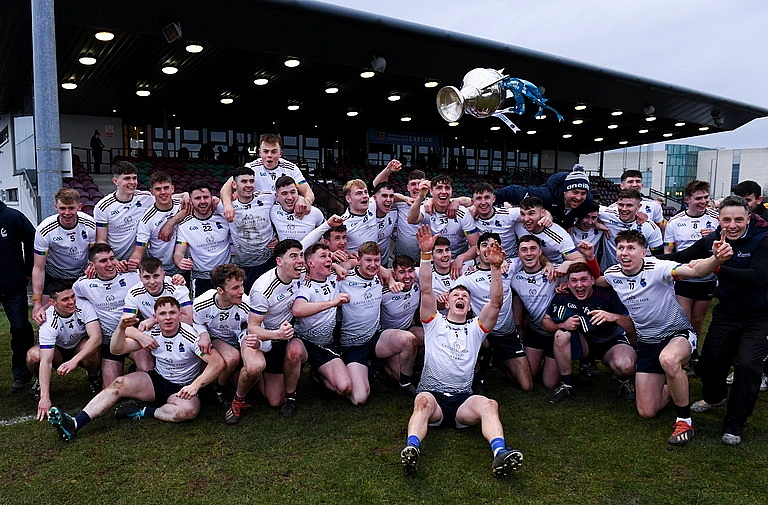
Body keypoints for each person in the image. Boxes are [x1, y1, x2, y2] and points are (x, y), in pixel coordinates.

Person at [399, 225, 523, 479]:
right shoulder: (434, 322)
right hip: (433, 398)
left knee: (489, 404)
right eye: (456, 294)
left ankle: (500, 452)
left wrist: (497, 269)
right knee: (421, 402)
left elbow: (496, 303)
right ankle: (412, 448)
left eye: (464, 296)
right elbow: (425, 289)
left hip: (462, 400)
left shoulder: (476, 328)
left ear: (468, 305)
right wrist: (424, 256)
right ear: (448, 302)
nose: (460, 297)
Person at [600, 230, 731, 446]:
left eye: (631, 248)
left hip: (676, 334)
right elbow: (600, 280)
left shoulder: (657, 267)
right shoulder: (614, 273)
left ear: (644, 252)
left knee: (669, 360)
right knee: (646, 411)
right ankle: (675, 380)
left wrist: (716, 258)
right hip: (647, 343)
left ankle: (684, 420)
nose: (625, 252)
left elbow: (695, 270)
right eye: (621, 247)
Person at [663, 196, 768, 445]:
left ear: (748, 219)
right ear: (719, 220)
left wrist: (717, 267)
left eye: (738, 220)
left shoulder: (762, 240)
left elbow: (759, 277)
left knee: (746, 366)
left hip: (760, 316)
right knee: (708, 365)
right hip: (727, 313)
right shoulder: (714, 240)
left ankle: (734, 423)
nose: (732, 225)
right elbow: (684, 256)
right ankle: (715, 396)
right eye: (727, 220)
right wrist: (648, 261)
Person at [47, 297, 225, 441]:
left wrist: (195, 386)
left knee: (188, 412)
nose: (168, 317)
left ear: (180, 314)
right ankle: (74, 424)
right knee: (118, 384)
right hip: (156, 380)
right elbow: (117, 349)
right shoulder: (152, 333)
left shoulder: (190, 336)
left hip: (182, 387)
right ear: (155, 317)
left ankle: (144, 411)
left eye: (172, 312)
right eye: (162, 314)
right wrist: (121, 328)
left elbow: (217, 363)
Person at [542, 262, 637, 403]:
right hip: (583, 342)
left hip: (609, 342)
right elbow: (545, 322)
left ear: (592, 280)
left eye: (584, 279)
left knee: (625, 366)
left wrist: (614, 317)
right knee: (561, 335)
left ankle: (624, 381)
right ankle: (566, 384)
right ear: (567, 283)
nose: (579, 285)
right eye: (574, 280)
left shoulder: (607, 294)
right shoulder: (563, 296)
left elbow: (631, 327)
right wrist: (562, 324)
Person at [338, 241, 420, 405]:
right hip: (352, 345)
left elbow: (393, 272)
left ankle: (405, 383)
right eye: (368, 260)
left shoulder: (381, 277)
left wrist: (389, 279)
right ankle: (338, 372)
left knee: (408, 339)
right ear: (359, 259)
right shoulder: (343, 278)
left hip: (375, 339)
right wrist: (335, 265)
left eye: (377, 260)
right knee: (360, 398)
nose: (373, 265)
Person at [237, 239, 304, 422]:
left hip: (287, 335)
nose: (300, 261)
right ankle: (250, 379)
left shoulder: (298, 270)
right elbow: (253, 327)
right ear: (279, 262)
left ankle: (291, 394)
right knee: (274, 400)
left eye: (301, 255)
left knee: (296, 352)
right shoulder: (263, 289)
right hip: (267, 337)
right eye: (294, 256)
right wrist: (277, 335)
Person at [454, 232, 532, 391]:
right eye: (484, 245)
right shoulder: (467, 276)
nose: (489, 249)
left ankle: (498, 360)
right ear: (477, 251)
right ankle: (478, 371)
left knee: (526, 386)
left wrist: (549, 265)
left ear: (500, 249)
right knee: (474, 338)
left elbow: (536, 259)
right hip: (483, 333)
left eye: (493, 245)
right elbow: (452, 296)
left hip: (507, 333)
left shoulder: (509, 266)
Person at [72, 243, 146, 389]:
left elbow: (156, 280)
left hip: (132, 337)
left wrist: (177, 279)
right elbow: (69, 298)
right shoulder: (83, 285)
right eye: (103, 261)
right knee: (110, 388)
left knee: (146, 369)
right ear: (92, 265)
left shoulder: (132, 276)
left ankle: (137, 371)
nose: (110, 264)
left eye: (112, 258)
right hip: (109, 343)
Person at [26, 280, 102, 420]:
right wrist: (45, 398)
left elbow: (96, 338)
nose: (72, 301)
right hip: (58, 352)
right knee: (33, 355)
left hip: (78, 347)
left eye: (73, 296)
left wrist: (74, 361)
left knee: (91, 347)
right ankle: (40, 383)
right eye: (65, 299)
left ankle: (93, 377)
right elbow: (46, 361)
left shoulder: (84, 306)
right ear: (53, 303)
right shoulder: (48, 321)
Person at [291, 243, 352, 399]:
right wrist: (332, 303)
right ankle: (289, 396)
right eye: (323, 256)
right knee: (294, 352)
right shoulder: (305, 285)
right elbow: (298, 309)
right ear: (310, 263)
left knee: (344, 387)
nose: (328, 260)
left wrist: (337, 265)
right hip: (303, 342)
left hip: (325, 344)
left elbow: (354, 262)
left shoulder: (335, 277)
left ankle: (318, 373)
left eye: (329, 256)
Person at [192, 264, 256, 409]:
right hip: (217, 339)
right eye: (235, 288)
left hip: (239, 340)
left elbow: (254, 327)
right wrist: (203, 334)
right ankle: (220, 390)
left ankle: (226, 384)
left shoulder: (246, 304)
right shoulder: (201, 303)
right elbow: (197, 322)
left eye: (241, 286)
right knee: (232, 357)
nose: (241, 291)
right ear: (220, 290)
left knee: (252, 377)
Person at [31, 188, 96, 325]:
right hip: (54, 275)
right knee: (44, 317)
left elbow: (95, 253)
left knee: (84, 316)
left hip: (80, 275)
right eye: (62, 208)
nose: (67, 213)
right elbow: (38, 268)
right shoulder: (44, 230)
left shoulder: (89, 224)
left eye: (71, 208)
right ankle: (44, 343)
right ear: (55, 207)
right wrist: (36, 302)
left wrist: (92, 265)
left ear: (79, 207)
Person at [663, 180, 718, 339]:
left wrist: (713, 237)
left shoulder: (716, 219)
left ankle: (694, 352)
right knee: (684, 319)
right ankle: (685, 350)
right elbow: (669, 250)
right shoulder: (674, 222)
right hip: (684, 277)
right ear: (687, 200)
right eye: (698, 198)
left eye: (706, 197)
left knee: (698, 319)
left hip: (707, 277)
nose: (703, 202)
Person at [221, 133, 315, 219]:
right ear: (260, 152)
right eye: (265, 151)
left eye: (274, 152)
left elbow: (307, 191)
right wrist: (228, 205)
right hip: (258, 216)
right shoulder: (251, 167)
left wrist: (305, 201)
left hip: (283, 216)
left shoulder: (291, 168)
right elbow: (226, 188)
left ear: (280, 154)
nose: (269, 155)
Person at [510, 235, 560, 390]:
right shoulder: (515, 279)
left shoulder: (556, 273)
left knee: (549, 383)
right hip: (536, 331)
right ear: (519, 254)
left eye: (533, 249)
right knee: (528, 374)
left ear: (540, 252)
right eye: (524, 250)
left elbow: (578, 265)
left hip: (557, 332)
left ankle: (559, 359)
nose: (529, 253)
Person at [407, 175, 479, 278]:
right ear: (431, 191)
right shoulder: (426, 208)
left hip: (458, 261)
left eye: (447, 188)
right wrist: (420, 197)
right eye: (439, 187)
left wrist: (461, 258)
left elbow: (476, 246)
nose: (444, 191)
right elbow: (411, 219)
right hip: (433, 261)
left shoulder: (462, 213)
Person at [221, 167, 278, 291]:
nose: (249, 185)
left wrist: (279, 237)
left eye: (251, 181)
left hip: (268, 262)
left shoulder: (267, 198)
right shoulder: (225, 207)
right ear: (234, 184)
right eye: (244, 181)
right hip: (243, 266)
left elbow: (288, 200)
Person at [0, 199, 36, 392]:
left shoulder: (12, 217)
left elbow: (32, 239)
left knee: (20, 328)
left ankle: (22, 375)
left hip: (13, 285)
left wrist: (29, 269)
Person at [173, 181, 231, 296]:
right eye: (197, 198)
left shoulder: (225, 218)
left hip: (226, 276)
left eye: (206, 197)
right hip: (201, 278)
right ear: (190, 200)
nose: (203, 201)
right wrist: (181, 262)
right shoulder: (185, 226)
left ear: (212, 198)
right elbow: (178, 253)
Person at [494, 163, 594, 229]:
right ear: (565, 191)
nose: (579, 197)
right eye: (575, 192)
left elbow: (598, 212)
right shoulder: (545, 195)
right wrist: (489, 202)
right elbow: (513, 191)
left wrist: (597, 222)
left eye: (583, 193)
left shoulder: (588, 203)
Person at [94, 161, 155, 261]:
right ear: (115, 181)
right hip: (115, 259)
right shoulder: (102, 207)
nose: (132, 182)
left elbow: (165, 199)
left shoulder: (145, 197)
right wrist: (113, 261)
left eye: (134, 178)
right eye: (127, 178)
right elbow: (101, 240)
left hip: (139, 260)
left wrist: (184, 195)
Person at [129, 171, 183, 276]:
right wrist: (132, 263)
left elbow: (203, 201)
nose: (163, 192)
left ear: (172, 189)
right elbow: (139, 250)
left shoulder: (183, 205)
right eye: (158, 189)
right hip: (160, 270)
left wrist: (170, 222)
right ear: (152, 192)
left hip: (184, 267)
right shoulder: (146, 220)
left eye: (166, 188)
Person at [371, 160, 422, 260]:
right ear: (408, 188)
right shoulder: (400, 204)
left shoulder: (432, 203)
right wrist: (388, 170)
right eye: (413, 184)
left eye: (419, 184)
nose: (416, 187)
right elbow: (379, 187)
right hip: (401, 259)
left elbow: (459, 200)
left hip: (425, 258)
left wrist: (456, 202)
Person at [598, 189, 664, 266]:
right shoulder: (607, 215)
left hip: (637, 274)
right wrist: (596, 223)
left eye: (629, 205)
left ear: (639, 207)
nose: (624, 209)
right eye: (621, 205)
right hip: (608, 272)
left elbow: (659, 257)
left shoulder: (650, 227)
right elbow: (585, 205)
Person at [123, 257, 193, 325]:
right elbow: (126, 323)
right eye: (147, 277)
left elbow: (188, 319)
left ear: (163, 276)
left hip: (176, 328)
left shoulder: (177, 288)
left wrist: (154, 320)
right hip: (151, 330)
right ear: (140, 278)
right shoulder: (134, 293)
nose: (152, 282)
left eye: (156, 276)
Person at [610, 170, 667, 235]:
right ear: (622, 186)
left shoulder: (654, 205)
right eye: (630, 182)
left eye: (638, 181)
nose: (634, 185)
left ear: (642, 185)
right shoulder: (612, 208)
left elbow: (662, 227)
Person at [271, 175, 326, 242]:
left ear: (298, 193)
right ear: (276, 196)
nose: (290, 197)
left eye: (293, 192)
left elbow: (326, 233)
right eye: (284, 193)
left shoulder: (314, 212)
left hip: (308, 252)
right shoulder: (272, 211)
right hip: (285, 251)